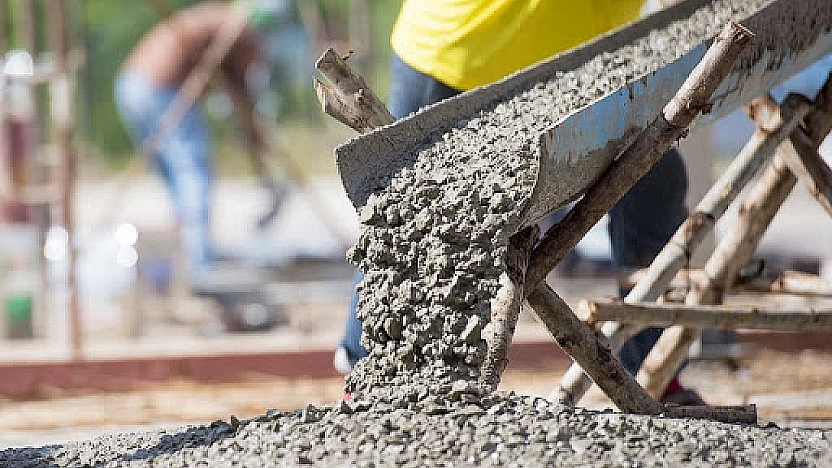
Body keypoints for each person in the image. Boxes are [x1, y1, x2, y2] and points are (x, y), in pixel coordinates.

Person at [334, 0, 704, 405]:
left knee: (654, 183)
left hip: (586, 68)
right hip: (461, 55)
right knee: (414, 222)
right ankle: (370, 376)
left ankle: (657, 371)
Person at [114, 1, 279, 285]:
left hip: (130, 86)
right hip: (158, 88)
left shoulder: (219, 23)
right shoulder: (241, 31)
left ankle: (185, 258)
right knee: (193, 170)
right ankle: (198, 265)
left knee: (178, 179)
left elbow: (236, 93)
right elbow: (242, 93)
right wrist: (256, 136)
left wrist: (252, 134)